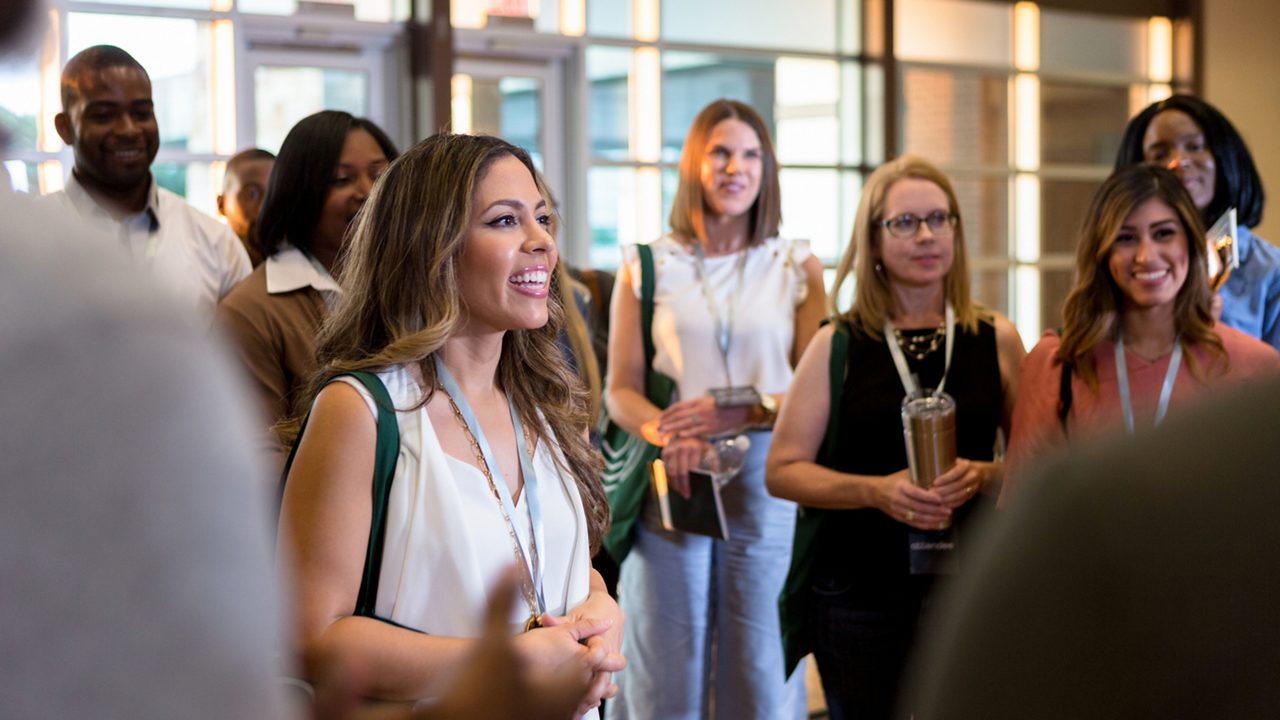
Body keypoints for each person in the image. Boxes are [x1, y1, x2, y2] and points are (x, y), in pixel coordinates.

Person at [276, 132, 624, 718]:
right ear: (430, 246)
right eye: (505, 221)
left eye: (541, 218)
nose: (542, 242)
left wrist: (600, 604)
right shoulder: (361, 411)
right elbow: (311, 639)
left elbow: (549, 565)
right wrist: (507, 663)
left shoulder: (553, 406)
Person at [765, 155, 1025, 720]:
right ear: (873, 241)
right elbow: (782, 470)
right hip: (860, 592)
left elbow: (1039, 460)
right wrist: (877, 491)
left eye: (940, 218)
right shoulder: (838, 343)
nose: (927, 234)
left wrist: (984, 473)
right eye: (905, 223)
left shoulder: (995, 337)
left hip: (974, 589)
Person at [604, 98, 826, 720]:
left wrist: (751, 409)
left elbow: (813, 393)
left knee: (759, 667)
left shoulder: (796, 265)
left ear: (768, 168)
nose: (736, 167)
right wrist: (667, 433)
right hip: (676, 473)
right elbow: (618, 390)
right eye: (721, 152)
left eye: (751, 154)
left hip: (767, 474)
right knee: (665, 666)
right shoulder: (646, 266)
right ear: (695, 163)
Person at [910, 376, 1280, 719]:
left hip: (1204, 615)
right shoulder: (1059, 371)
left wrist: (985, 472)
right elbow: (1022, 489)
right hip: (1088, 610)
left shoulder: (1252, 366)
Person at [1002, 164, 1279, 504]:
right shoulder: (1058, 364)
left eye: (1164, 233)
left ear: (1191, 243)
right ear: (1102, 252)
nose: (1146, 256)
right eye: (1126, 237)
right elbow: (1024, 513)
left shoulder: (1257, 369)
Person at [218, 111, 397, 464]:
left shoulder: (410, 286)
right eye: (342, 179)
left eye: (379, 175)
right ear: (299, 192)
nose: (367, 192)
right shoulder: (251, 311)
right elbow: (259, 459)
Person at [48, 44, 250, 321]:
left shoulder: (215, 242)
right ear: (65, 128)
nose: (129, 130)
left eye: (141, 113)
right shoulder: (23, 240)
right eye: (104, 115)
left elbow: (243, 355)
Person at [1116, 94, 1280, 348]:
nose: (1177, 162)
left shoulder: (1270, 272)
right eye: (1159, 154)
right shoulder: (1123, 262)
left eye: (1194, 147)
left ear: (1225, 158)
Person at [218, 147, 275, 266]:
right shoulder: (208, 269)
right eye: (252, 194)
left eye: (274, 193)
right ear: (222, 205)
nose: (264, 207)